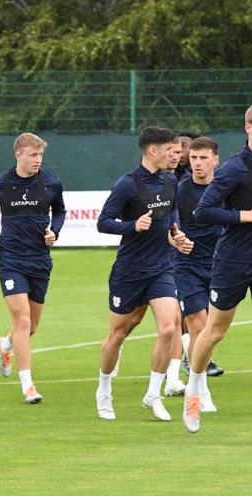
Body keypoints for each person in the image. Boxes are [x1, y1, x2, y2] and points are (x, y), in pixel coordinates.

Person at [184, 102, 252, 441]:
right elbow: (203, 212)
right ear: (248, 128)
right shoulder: (233, 169)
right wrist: (246, 216)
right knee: (214, 332)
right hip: (232, 262)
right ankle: (193, 389)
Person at [93, 126, 190, 422]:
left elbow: (171, 213)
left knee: (169, 329)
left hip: (161, 269)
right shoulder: (128, 184)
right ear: (152, 151)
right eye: (168, 149)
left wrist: (176, 233)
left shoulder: (170, 181)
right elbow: (103, 223)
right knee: (117, 335)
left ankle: (153, 394)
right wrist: (132, 226)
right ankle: (104, 389)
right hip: (129, 271)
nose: (175, 154)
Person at [0, 133, 66, 403]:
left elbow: (61, 212)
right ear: (18, 155)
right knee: (21, 320)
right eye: (33, 155)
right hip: (10, 260)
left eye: (40, 155)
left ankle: (5, 344)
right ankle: (28, 385)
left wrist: (54, 231)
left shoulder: (51, 182)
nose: (37, 160)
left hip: (40, 259)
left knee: (31, 326)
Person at [172, 136, 223, 413]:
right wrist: (176, 237)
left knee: (213, 332)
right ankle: (200, 389)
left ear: (215, 159)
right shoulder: (180, 190)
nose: (198, 164)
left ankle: (196, 383)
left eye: (203, 158)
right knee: (198, 327)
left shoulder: (225, 190)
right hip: (187, 265)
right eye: (193, 158)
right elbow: (168, 225)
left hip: (220, 268)